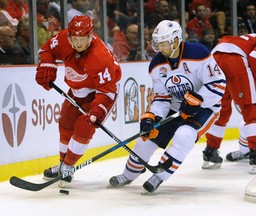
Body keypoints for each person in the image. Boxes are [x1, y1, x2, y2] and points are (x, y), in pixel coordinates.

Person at [108, 20, 226, 193]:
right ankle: (129, 174)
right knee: (146, 139)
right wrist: (152, 117)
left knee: (184, 135)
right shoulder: (156, 65)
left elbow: (218, 83)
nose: (158, 48)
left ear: (176, 41)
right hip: (176, 106)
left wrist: (199, 99)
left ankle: (159, 175)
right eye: (156, 43)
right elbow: (162, 97)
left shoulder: (198, 53)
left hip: (206, 107)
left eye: (162, 44)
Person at [35, 15, 122, 187]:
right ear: (69, 36)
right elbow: (46, 50)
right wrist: (47, 63)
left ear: (90, 36)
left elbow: (107, 92)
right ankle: (62, 163)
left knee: (85, 125)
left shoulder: (100, 56)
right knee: (66, 123)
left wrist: (97, 111)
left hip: (102, 90)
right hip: (78, 87)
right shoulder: (63, 38)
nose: (78, 43)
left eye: (82, 39)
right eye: (74, 39)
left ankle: (68, 166)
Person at [201, 34, 256, 174]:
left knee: (221, 109)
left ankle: (210, 152)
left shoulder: (247, 37)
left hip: (214, 58)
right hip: (234, 60)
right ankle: (255, 155)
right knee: (250, 108)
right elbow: (254, 59)